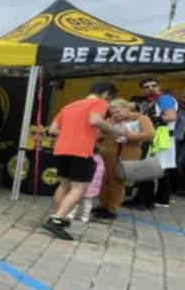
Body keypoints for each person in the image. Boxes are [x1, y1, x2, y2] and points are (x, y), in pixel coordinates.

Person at [43, 82, 123, 240]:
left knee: (64, 185)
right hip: (81, 150)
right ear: (106, 94)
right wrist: (114, 131)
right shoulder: (99, 102)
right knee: (79, 188)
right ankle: (56, 220)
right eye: (110, 99)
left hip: (61, 149)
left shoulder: (70, 105)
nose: (108, 103)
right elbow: (94, 120)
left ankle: (58, 216)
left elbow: (52, 129)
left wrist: (72, 134)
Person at [94, 100, 154, 218]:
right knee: (104, 181)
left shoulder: (140, 119)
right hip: (106, 155)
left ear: (127, 109)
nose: (115, 115)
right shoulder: (109, 120)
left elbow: (150, 135)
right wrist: (104, 135)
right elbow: (97, 135)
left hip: (126, 155)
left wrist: (129, 136)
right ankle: (102, 205)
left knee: (117, 183)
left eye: (118, 112)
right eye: (113, 113)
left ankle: (111, 209)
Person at [129, 77, 178, 209]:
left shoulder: (164, 99)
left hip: (160, 139)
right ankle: (161, 200)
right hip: (159, 139)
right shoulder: (152, 101)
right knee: (160, 169)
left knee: (150, 168)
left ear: (159, 86)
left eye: (153, 85)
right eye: (146, 87)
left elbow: (171, 116)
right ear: (142, 90)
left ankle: (146, 201)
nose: (150, 88)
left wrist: (150, 119)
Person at [67, 149, 104, 223]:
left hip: (82, 183)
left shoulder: (84, 157)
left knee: (75, 200)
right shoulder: (99, 160)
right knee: (88, 202)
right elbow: (100, 174)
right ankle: (85, 217)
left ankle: (71, 214)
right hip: (92, 186)